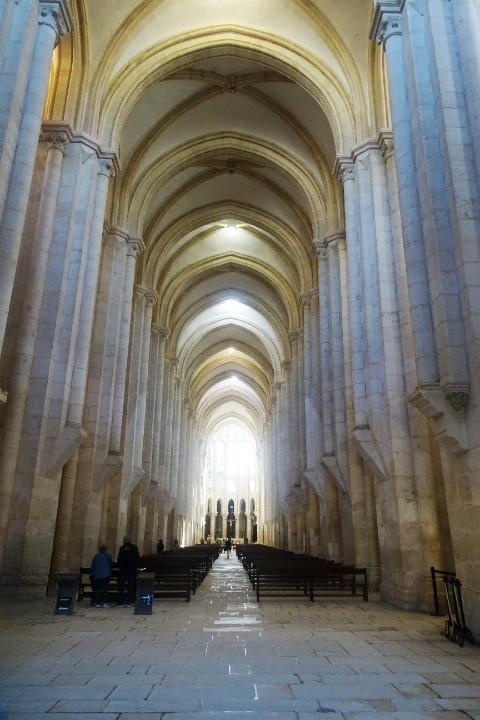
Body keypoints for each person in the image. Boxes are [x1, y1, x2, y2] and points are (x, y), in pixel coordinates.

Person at [116, 536, 140, 607]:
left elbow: (119, 559)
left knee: (122, 586)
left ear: (124, 541)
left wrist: (121, 566)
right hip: (131, 570)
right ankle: (129, 601)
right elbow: (137, 558)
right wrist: (134, 566)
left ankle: (121, 601)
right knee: (130, 585)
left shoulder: (122, 548)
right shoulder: (134, 547)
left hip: (123, 570)